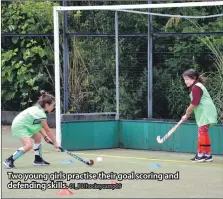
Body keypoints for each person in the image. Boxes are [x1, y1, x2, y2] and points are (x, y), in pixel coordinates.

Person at [3, 90, 59, 169]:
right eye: (53, 105)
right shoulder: (40, 113)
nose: (53, 107)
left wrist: (45, 137)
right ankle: (9, 160)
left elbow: (39, 126)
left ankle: (38, 160)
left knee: (37, 137)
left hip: (25, 125)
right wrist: (55, 143)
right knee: (28, 145)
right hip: (20, 126)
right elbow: (47, 129)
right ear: (47, 105)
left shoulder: (38, 109)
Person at [181, 69, 217, 162]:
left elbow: (195, 103)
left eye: (187, 79)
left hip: (206, 112)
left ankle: (201, 155)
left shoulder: (196, 87)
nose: (185, 81)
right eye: (184, 79)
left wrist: (187, 113)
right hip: (206, 112)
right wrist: (187, 113)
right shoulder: (197, 86)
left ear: (194, 78)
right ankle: (207, 155)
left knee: (201, 132)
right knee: (203, 133)